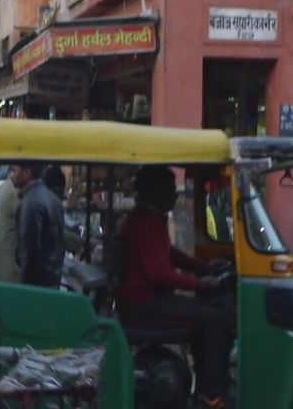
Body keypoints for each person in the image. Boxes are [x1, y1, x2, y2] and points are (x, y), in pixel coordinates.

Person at [118, 169, 232, 409]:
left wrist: (202, 268)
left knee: (209, 314)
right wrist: (198, 282)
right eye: (170, 189)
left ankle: (205, 387)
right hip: (144, 305)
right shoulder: (145, 221)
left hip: (148, 300)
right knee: (217, 319)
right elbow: (157, 272)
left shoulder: (150, 218)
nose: (174, 195)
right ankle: (212, 396)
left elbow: (168, 253)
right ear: (154, 191)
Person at [8, 163, 64, 288]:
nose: (11, 175)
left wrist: (24, 287)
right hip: (52, 280)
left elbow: (30, 253)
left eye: (14, 170)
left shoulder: (30, 204)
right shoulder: (53, 199)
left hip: (37, 285)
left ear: (27, 173)